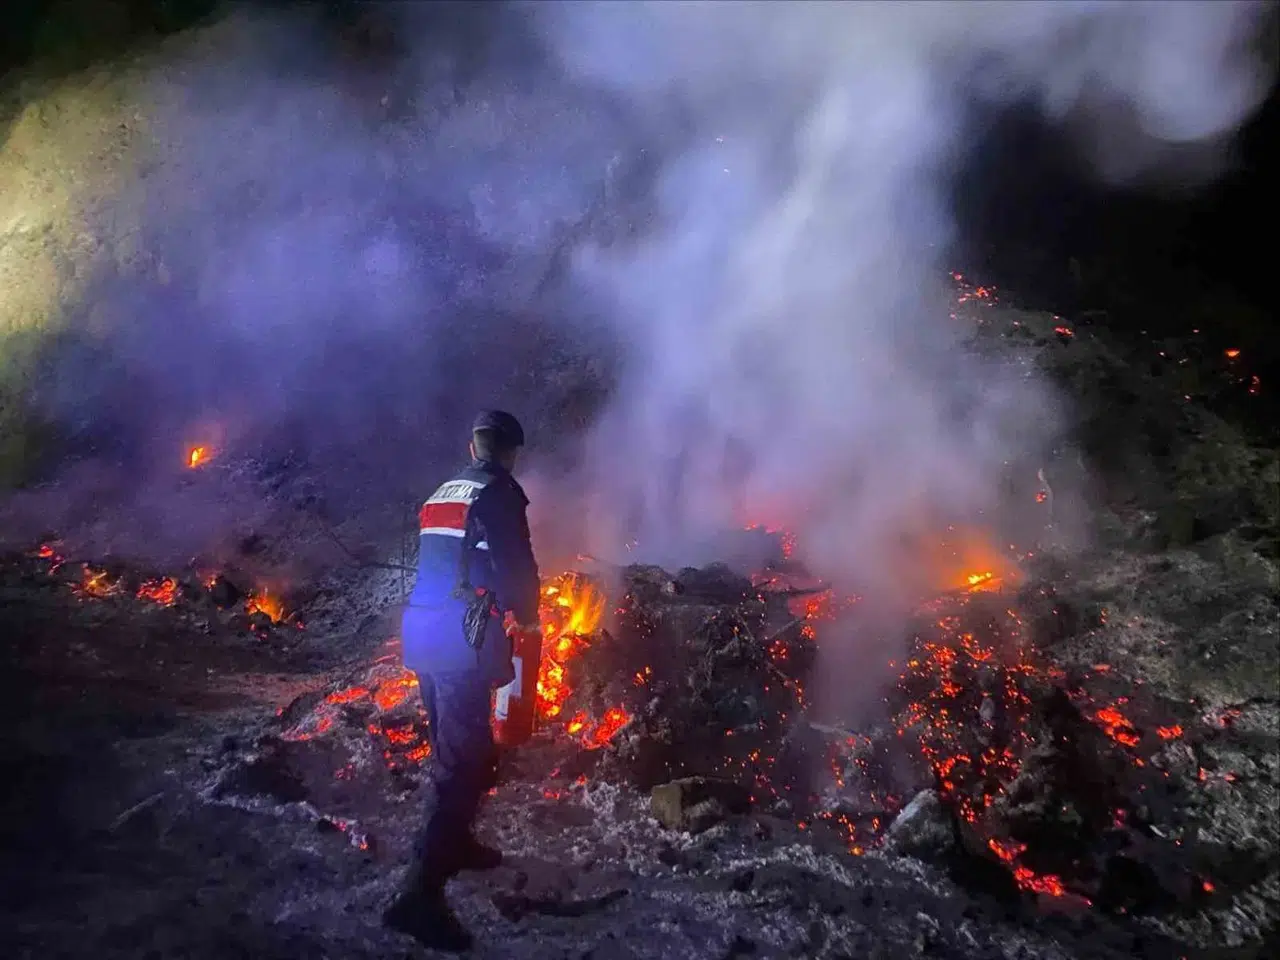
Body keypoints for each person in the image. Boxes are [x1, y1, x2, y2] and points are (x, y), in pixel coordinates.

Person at [384, 410, 541, 952]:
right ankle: (417, 895)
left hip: (423, 632)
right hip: (459, 641)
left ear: (471, 445)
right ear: (510, 452)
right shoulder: (499, 491)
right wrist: (529, 617)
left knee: (455, 749)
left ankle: (457, 844)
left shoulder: (442, 492)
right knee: (465, 760)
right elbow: (516, 563)